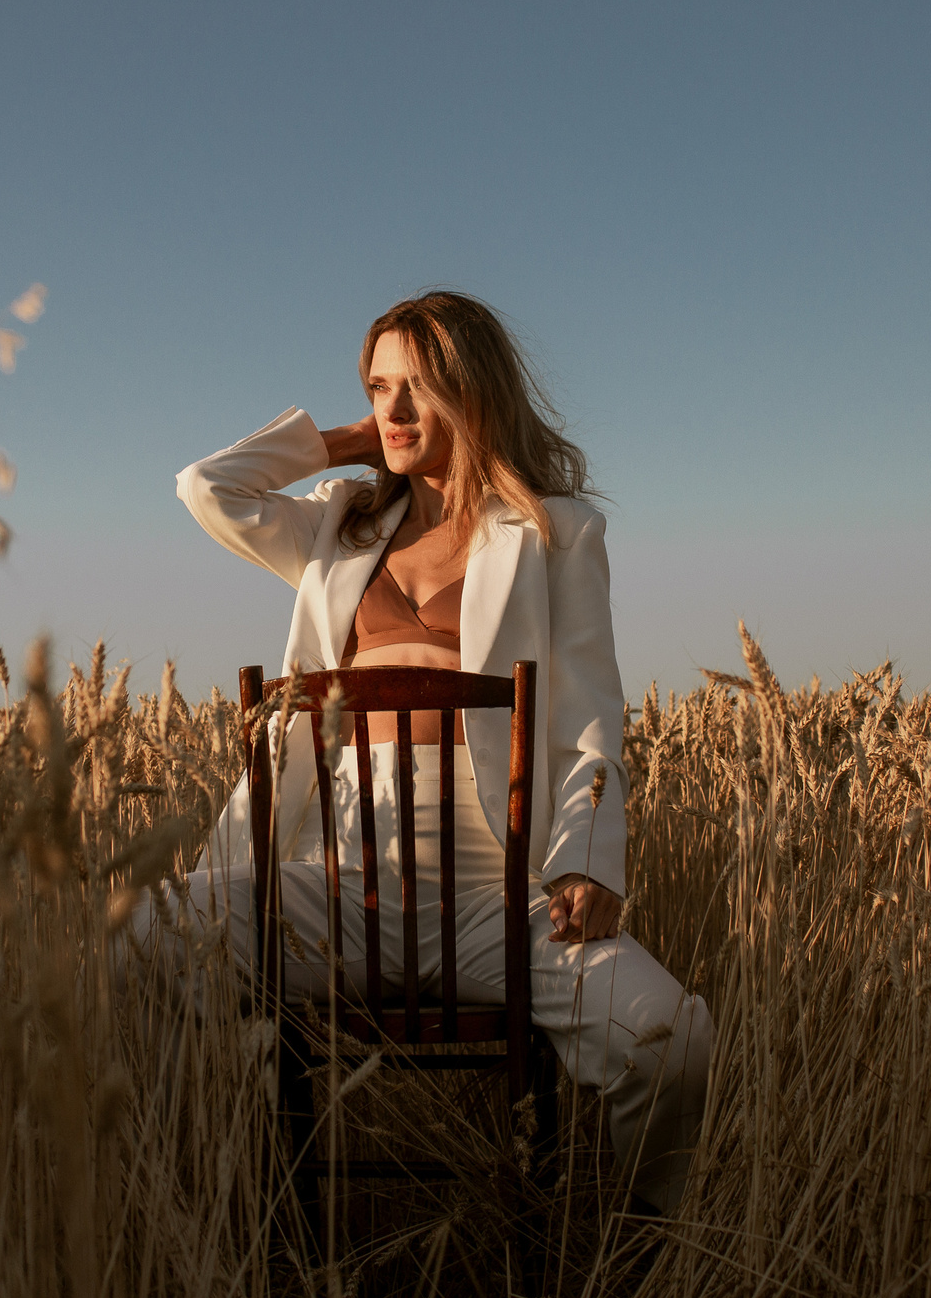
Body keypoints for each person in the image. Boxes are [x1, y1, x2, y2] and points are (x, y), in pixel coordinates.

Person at [151, 289, 711, 1214]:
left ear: (475, 390)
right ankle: (191, 1227)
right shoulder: (338, 524)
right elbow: (207, 487)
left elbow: (589, 713)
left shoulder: (554, 532)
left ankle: (635, 1249)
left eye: (421, 386)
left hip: (498, 903)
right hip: (333, 894)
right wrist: (347, 443)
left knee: (671, 1040)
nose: (395, 409)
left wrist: (586, 858)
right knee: (137, 939)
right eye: (379, 387)